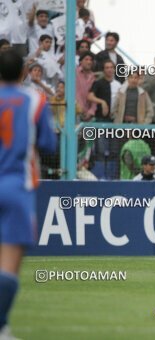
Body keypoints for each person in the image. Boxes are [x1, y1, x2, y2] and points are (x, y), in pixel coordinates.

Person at [0, 50, 56, 339]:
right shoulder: (34, 100)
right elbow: (48, 143)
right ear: (23, 73)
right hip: (16, 185)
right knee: (9, 263)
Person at [76, 51, 96, 122]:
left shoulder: (94, 77)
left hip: (89, 115)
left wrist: (91, 112)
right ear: (80, 61)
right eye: (86, 59)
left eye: (91, 60)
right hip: (74, 113)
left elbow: (95, 96)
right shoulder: (73, 73)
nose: (89, 62)